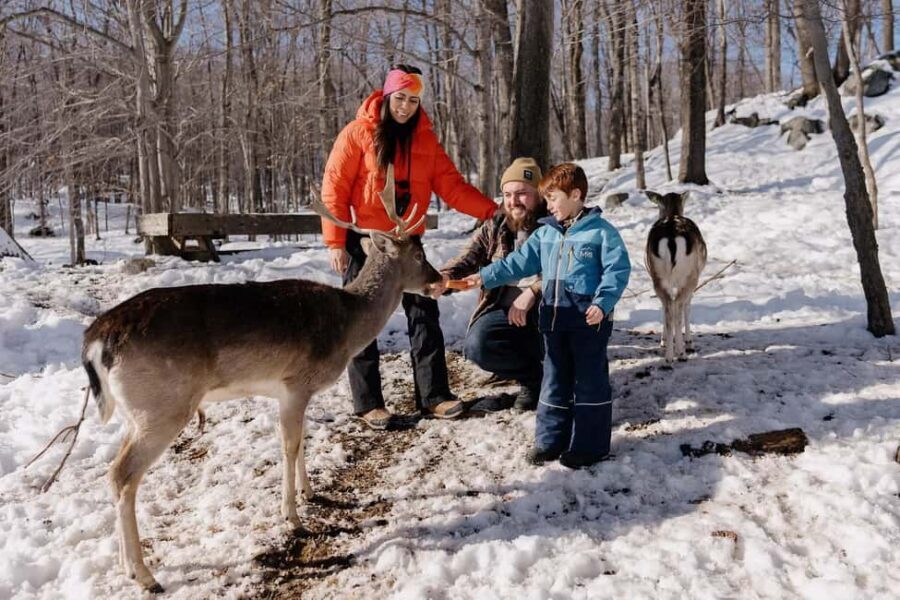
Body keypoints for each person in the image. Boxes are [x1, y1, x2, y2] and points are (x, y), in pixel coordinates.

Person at [320, 64, 498, 430]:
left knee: (424, 313)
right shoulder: (357, 133)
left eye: (413, 101)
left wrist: (492, 212)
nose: (405, 107)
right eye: (400, 98)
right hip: (367, 244)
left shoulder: (425, 140)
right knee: (359, 320)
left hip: (408, 244)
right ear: (387, 96)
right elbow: (334, 188)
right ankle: (369, 403)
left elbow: (452, 187)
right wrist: (336, 242)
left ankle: (434, 395)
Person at [465, 163, 631, 469]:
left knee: (588, 381)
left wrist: (603, 303)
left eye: (553, 198)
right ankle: (549, 440)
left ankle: (590, 446)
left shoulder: (601, 233)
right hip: (554, 320)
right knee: (554, 380)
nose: (549, 205)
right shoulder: (546, 234)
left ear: (576, 195)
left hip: (588, 322)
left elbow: (617, 270)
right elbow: (517, 263)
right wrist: (484, 276)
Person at [436, 157, 547, 413]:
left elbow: (566, 271)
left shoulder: (554, 223)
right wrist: (444, 278)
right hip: (503, 309)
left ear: (539, 193)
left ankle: (556, 374)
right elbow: (468, 257)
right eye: (507, 194)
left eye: (522, 193)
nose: (513, 201)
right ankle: (532, 378)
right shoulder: (497, 225)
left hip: (547, 309)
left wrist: (533, 291)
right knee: (478, 345)